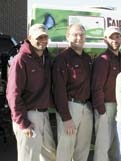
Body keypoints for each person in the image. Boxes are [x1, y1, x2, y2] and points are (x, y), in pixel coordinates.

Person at [6, 24, 56, 161]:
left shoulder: (46, 58)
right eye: (39, 37)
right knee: (29, 158)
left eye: (45, 37)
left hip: (43, 115)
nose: (43, 40)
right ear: (29, 38)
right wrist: (23, 123)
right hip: (27, 116)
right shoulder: (21, 60)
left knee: (50, 156)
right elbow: (12, 94)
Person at [52, 24, 93, 161]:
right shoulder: (62, 59)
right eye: (75, 34)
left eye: (81, 34)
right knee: (66, 149)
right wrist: (66, 117)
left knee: (83, 148)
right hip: (70, 107)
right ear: (67, 36)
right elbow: (58, 90)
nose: (78, 37)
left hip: (86, 107)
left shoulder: (87, 58)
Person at [91, 26, 121, 161]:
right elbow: (97, 87)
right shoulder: (102, 59)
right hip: (105, 107)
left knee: (117, 144)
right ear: (105, 40)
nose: (115, 40)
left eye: (117, 37)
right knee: (103, 144)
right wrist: (101, 111)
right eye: (111, 37)